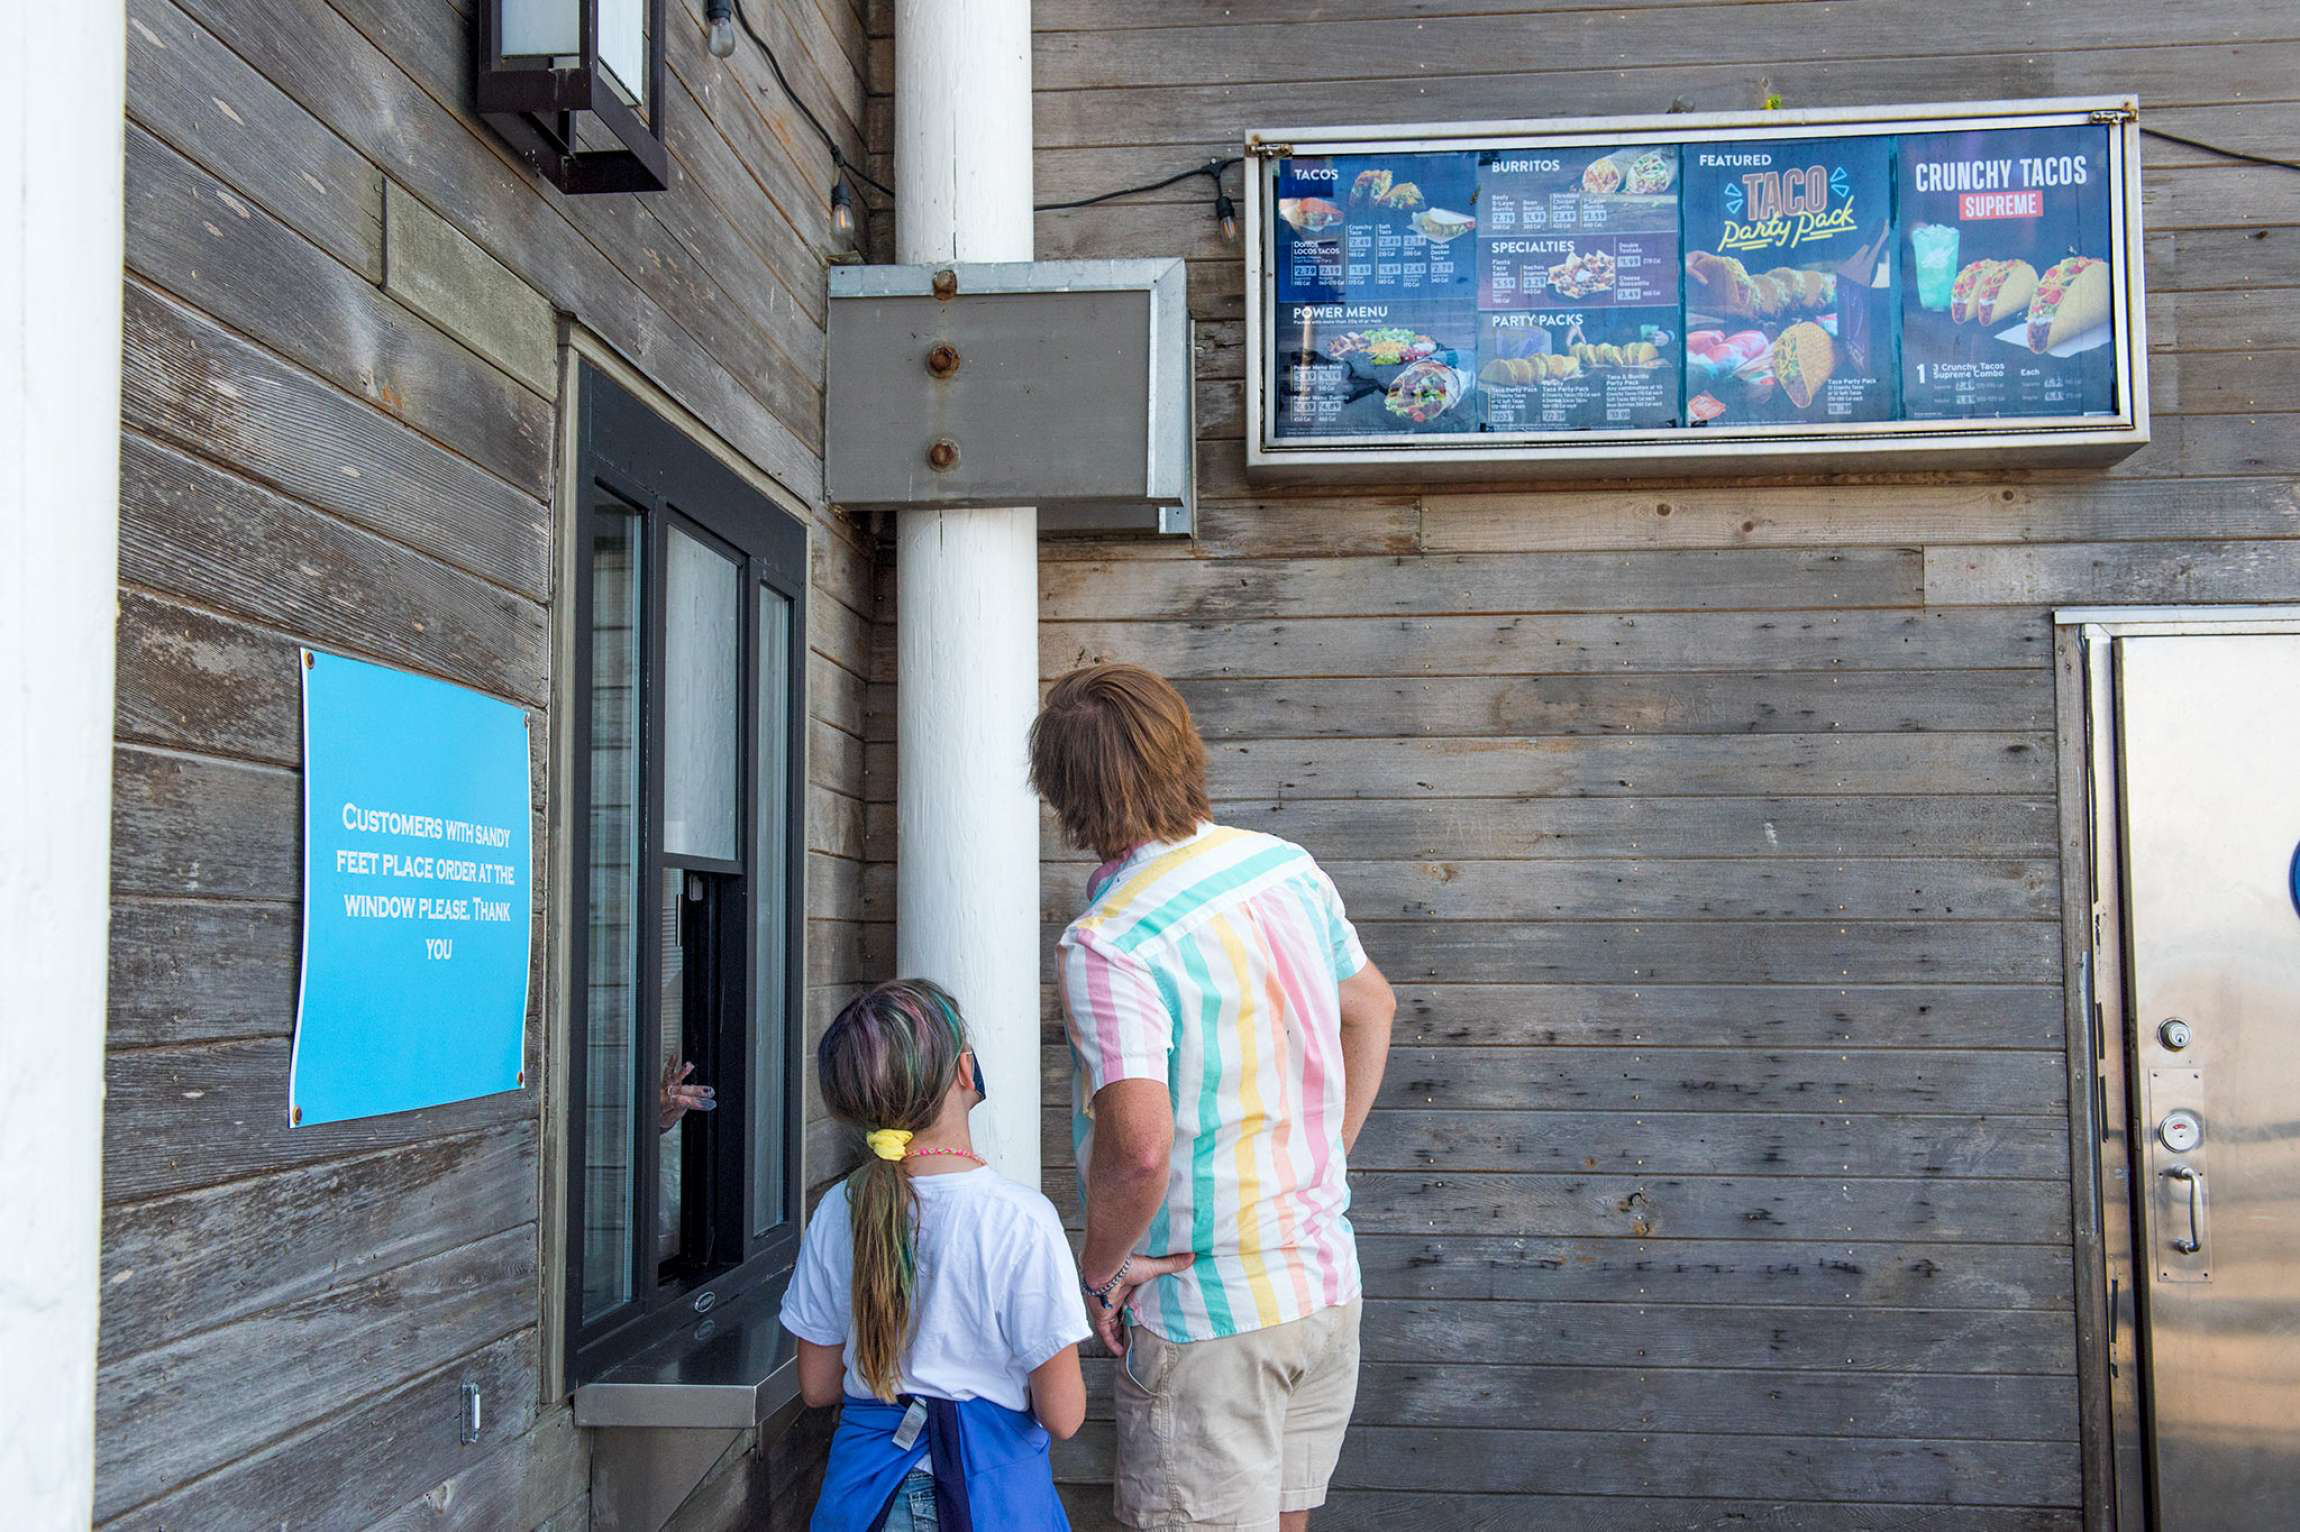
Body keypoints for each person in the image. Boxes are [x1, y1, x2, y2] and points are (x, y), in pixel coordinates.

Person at [1029, 664, 1397, 1532]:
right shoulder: (1284, 868)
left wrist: (1098, 1274)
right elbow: (1373, 1007)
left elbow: (1140, 1150)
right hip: (1322, 1286)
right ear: (1180, 750)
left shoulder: (1110, 942)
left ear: (1068, 792)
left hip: (1211, 1319)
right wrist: (1323, 1158)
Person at [781, 979, 1091, 1531]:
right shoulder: (1020, 1219)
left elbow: (819, 1386)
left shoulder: (837, 1209)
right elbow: (1063, 1416)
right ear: (965, 1071)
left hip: (866, 1500)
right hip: (985, 1500)